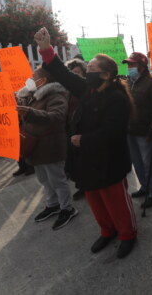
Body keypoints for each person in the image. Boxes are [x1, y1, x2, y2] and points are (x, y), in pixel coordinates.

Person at [34, 27, 137, 259]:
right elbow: (63, 73)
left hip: (110, 160)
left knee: (116, 201)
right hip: (87, 159)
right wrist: (46, 49)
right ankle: (107, 230)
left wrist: (85, 140)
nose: (86, 71)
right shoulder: (88, 90)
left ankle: (127, 234)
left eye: (91, 68)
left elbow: (113, 132)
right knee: (95, 199)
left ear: (107, 74)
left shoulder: (117, 98)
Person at [16, 67, 77, 230]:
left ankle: (67, 208)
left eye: (34, 76)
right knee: (44, 179)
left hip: (50, 146)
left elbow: (57, 117)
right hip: (35, 146)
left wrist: (30, 113)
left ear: (43, 81)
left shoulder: (56, 95)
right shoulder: (29, 95)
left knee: (57, 179)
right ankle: (52, 204)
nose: (30, 78)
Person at [122, 52, 152, 208]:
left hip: (146, 132)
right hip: (130, 131)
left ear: (141, 65)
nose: (129, 67)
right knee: (137, 162)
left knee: (150, 164)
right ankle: (145, 187)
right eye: (128, 65)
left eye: (132, 64)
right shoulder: (127, 82)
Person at [65, 58, 87, 200]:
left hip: (83, 129)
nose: (75, 75)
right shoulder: (67, 90)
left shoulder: (86, 88)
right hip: (70, 128)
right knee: (74, 160)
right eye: (73, 73)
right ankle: (81, 185)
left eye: (78, 72)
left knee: (83, 159)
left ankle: (85, 186)